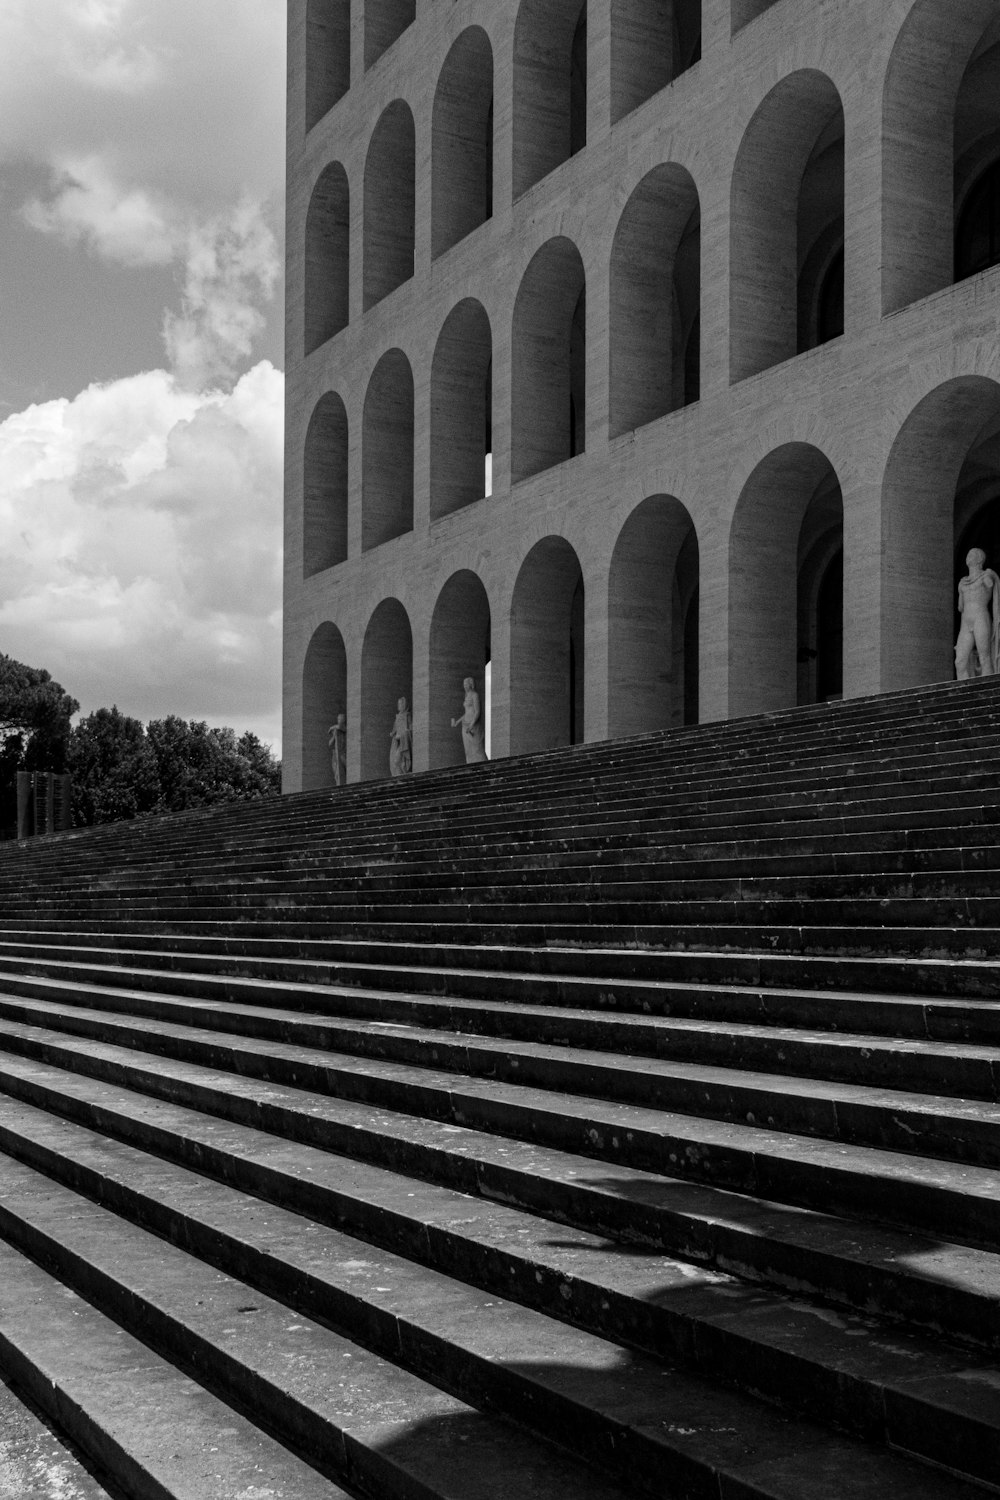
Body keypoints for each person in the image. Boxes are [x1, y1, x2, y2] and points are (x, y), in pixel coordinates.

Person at [955, 547, 1000, 680]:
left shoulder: (985, 576)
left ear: (979, 559)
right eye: (968, 554)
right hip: (965, 621)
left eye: (972, 555)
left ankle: (988, 690)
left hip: (980, 617)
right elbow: (960, 607)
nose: (968, 557)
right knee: (960, 661)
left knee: (984, 656)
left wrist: (991, 575)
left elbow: (991, 585)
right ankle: (964, 693)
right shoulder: (962, 582)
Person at [451, 676, 487, 763]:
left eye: (466, 684)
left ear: (471, 685)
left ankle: (482, 766)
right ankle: (471, 766)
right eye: (464, 685)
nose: (465, 686)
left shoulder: (475, 695)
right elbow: (467, 713)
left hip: (473, 726)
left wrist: (472, 724)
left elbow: (477, 712)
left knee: (477, 748)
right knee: (468, 749)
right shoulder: (466, 696)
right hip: (465, 725)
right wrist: (457, 722)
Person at [389, 697, 412, 776]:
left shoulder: (407, 715)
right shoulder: (397, 717)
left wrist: (405, 733)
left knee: (397, 760)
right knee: (395, 761)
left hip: (404, 742)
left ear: (405, 705)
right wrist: (393, 734)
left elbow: (410, 728)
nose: (399, 705)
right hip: (398, 742)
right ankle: (398, 777)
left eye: (401, 703)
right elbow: (394, 729)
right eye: (398, 703)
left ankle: (402, 776)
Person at [328, 712, 346, 786]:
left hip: (342, 753)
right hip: (335, 755)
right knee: (336, 772)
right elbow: (330, 744)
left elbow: (340, 727)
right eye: (338, 719)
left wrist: (332, 727)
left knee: (345, 765)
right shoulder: (336, 732)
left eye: (341, 719)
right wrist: (334, 736)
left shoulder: (344, 729)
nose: (339, 720)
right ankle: (339, 783)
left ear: (344, 720)